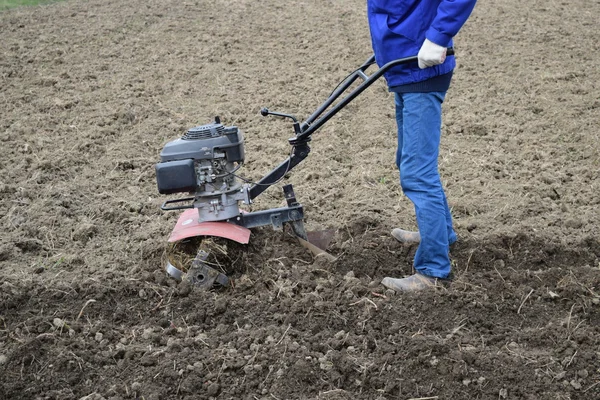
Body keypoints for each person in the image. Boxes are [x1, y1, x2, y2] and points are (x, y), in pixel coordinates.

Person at [366, 0, 477, 291]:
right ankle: (441, 234)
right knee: (410, 161)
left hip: (422, 67)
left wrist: (438, 36)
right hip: (405, 61)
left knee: (417, 172)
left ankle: (433, 270)